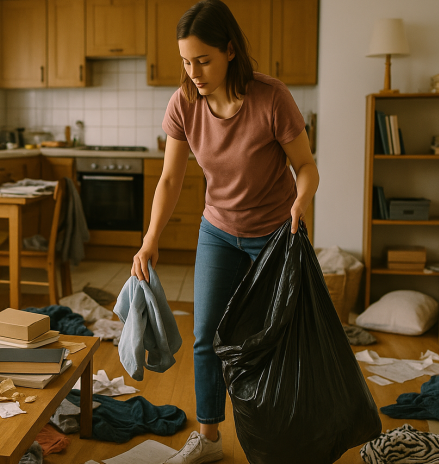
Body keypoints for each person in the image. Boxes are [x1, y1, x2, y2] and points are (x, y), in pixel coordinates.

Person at [130, 1, 319, 462]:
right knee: (207, 335)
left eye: (203, 60)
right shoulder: (184, 103)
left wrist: (302, 199)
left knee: (277, 341)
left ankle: (282, 436)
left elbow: (306, 166)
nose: (194, 71)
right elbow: (171, 179)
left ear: (230, 51)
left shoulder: (271, 97)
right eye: (186, 61)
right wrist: (151, 237)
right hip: (218, 230)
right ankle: (210, 438)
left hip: (275, 235)